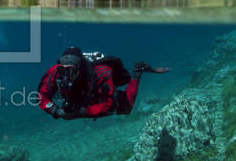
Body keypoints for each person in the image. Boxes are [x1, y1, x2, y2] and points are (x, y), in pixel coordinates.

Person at [37, 47, 170, 120]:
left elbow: (107, 104)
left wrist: (84, 112)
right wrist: (55, 110)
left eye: (71, 71)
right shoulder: (54, 73)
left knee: (127, 107)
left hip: (97, 96)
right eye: (62, 70)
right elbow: (41, 96)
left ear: (80, 69)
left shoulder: (102, 73)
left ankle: (137, 71)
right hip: (80, 102)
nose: (66, 75)